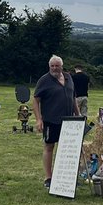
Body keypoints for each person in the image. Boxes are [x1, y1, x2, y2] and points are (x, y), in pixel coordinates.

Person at [33, 55, 78, 190]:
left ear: (61, 66)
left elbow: (73, 97)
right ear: (49, 67)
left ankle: (66, 177)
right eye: (52, 66)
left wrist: (78, 114)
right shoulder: (44, 80)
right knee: (49, 147)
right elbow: (35, 100)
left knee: (67, 149)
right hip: (51, 120)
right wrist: (39, 119)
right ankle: (48, 177)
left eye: (57, 65)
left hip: (69, 121)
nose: (54, 68)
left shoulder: (69, 78)